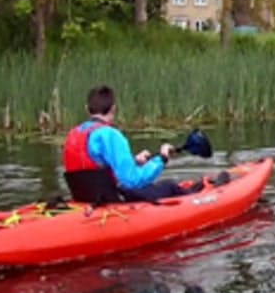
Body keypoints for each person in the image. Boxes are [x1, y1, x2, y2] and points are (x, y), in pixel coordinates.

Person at [63, 85, 200, 204]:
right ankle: (201, 201)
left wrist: (133, 162)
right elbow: (132, 181)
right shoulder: (111, 135)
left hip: (85, 199)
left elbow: (96, 169)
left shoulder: (73, 134)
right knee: (169, 186)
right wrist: (162, 159)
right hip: (112, 201)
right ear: (113, 109)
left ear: (87, 109)